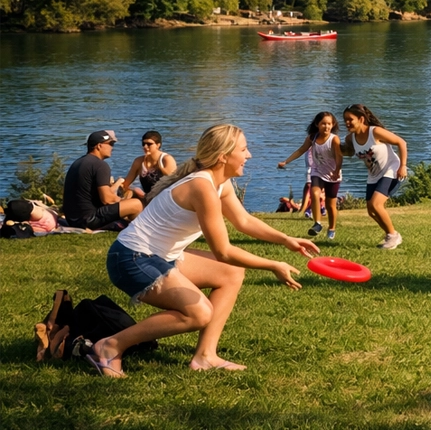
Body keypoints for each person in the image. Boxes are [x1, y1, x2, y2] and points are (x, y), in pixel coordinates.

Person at [86, 124, 318, 377]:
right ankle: (110, 346)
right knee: (199, 314)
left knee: (230, 273)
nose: (249, 155)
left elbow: (244, 221)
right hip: (131, 258)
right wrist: (273, 264)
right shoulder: (202, 187)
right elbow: (223, 251)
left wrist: (285, 239)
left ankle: (205, 356)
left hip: (159, 256)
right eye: (244, 149)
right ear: (223, 156)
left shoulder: (220, 184)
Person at [339, 104, 408, 249]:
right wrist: (331, 146)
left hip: (392, 169)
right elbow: (349, 152)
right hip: (374, 175)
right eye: (345, 119)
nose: (346, 123)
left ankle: (393, 236)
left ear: (361, 119)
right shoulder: (350, 138)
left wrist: (402, 166)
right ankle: (391, 235)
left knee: (376, 204)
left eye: (350, 119)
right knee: (371, 210)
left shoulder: (375, 132)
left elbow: (401, 142)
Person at [278, 112, 344, 240]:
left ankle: (332, 228)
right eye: (323, 124)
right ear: (317, 124)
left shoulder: (334, 139)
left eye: (329, 124)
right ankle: (317, 223)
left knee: (331, 205)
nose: (326, 126)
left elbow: (339, 156)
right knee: (314, 193)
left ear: (333, 125)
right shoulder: (312, 138)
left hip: (333, 174)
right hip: (317, 171)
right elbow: (301, 150)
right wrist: (286, 161)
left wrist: (337, 170)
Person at [63, 131, 142, 230]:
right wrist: (124, 202)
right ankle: (137, 231)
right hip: (88, 220)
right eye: (110, 144)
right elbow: (107, 199)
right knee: (136, 204)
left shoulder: (78, 163)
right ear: (99, 146)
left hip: (73, 220)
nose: (112, 148)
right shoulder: (100, 165)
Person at [117, 131, 177, 201]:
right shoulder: (139, 161)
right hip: (148, 199)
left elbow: (174, 182)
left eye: (149, 144)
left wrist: (160, 167)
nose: (145, 146)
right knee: (134, 191)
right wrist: (117, 185)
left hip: (166, 199)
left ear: (158, 145)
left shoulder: (166, 159)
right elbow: (126, 183)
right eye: (143, 144)